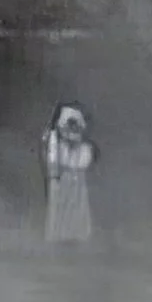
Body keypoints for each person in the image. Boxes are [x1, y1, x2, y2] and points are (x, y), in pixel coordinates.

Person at [43, 102, 96, 247]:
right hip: (61, 174)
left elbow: (79, 133)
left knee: (77, 204)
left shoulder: (83, 148)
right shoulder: (56, 142)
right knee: (60, 205)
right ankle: (59, 237)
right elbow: (53, 158)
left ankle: (76, 236)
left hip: (76, 174)